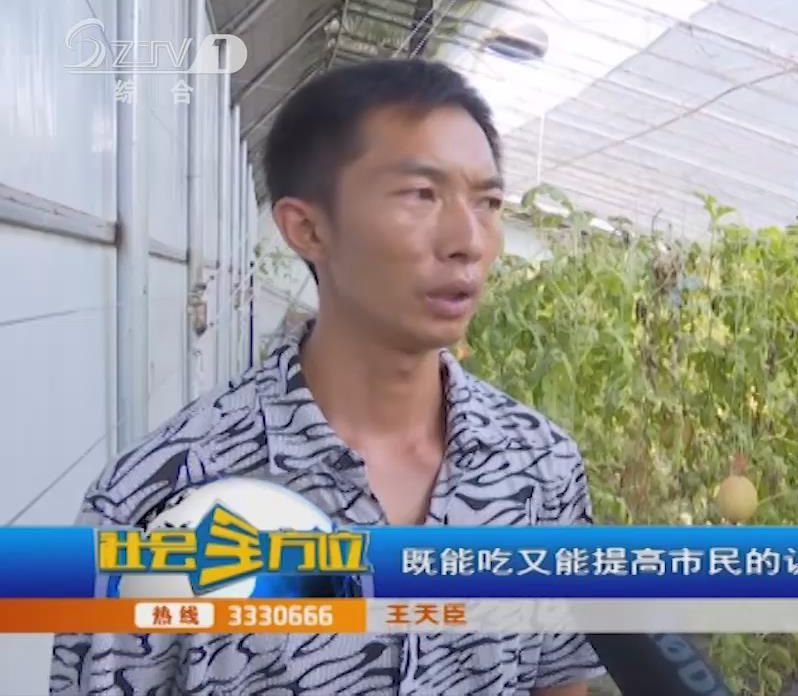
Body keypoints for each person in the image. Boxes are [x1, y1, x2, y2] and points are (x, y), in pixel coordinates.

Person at [50, 59, 604, 696]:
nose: (469, 240)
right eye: (421, 195)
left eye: (488, 202)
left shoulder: (539, 469)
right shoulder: (157, 503)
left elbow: (559, 680)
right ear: (307, 228)